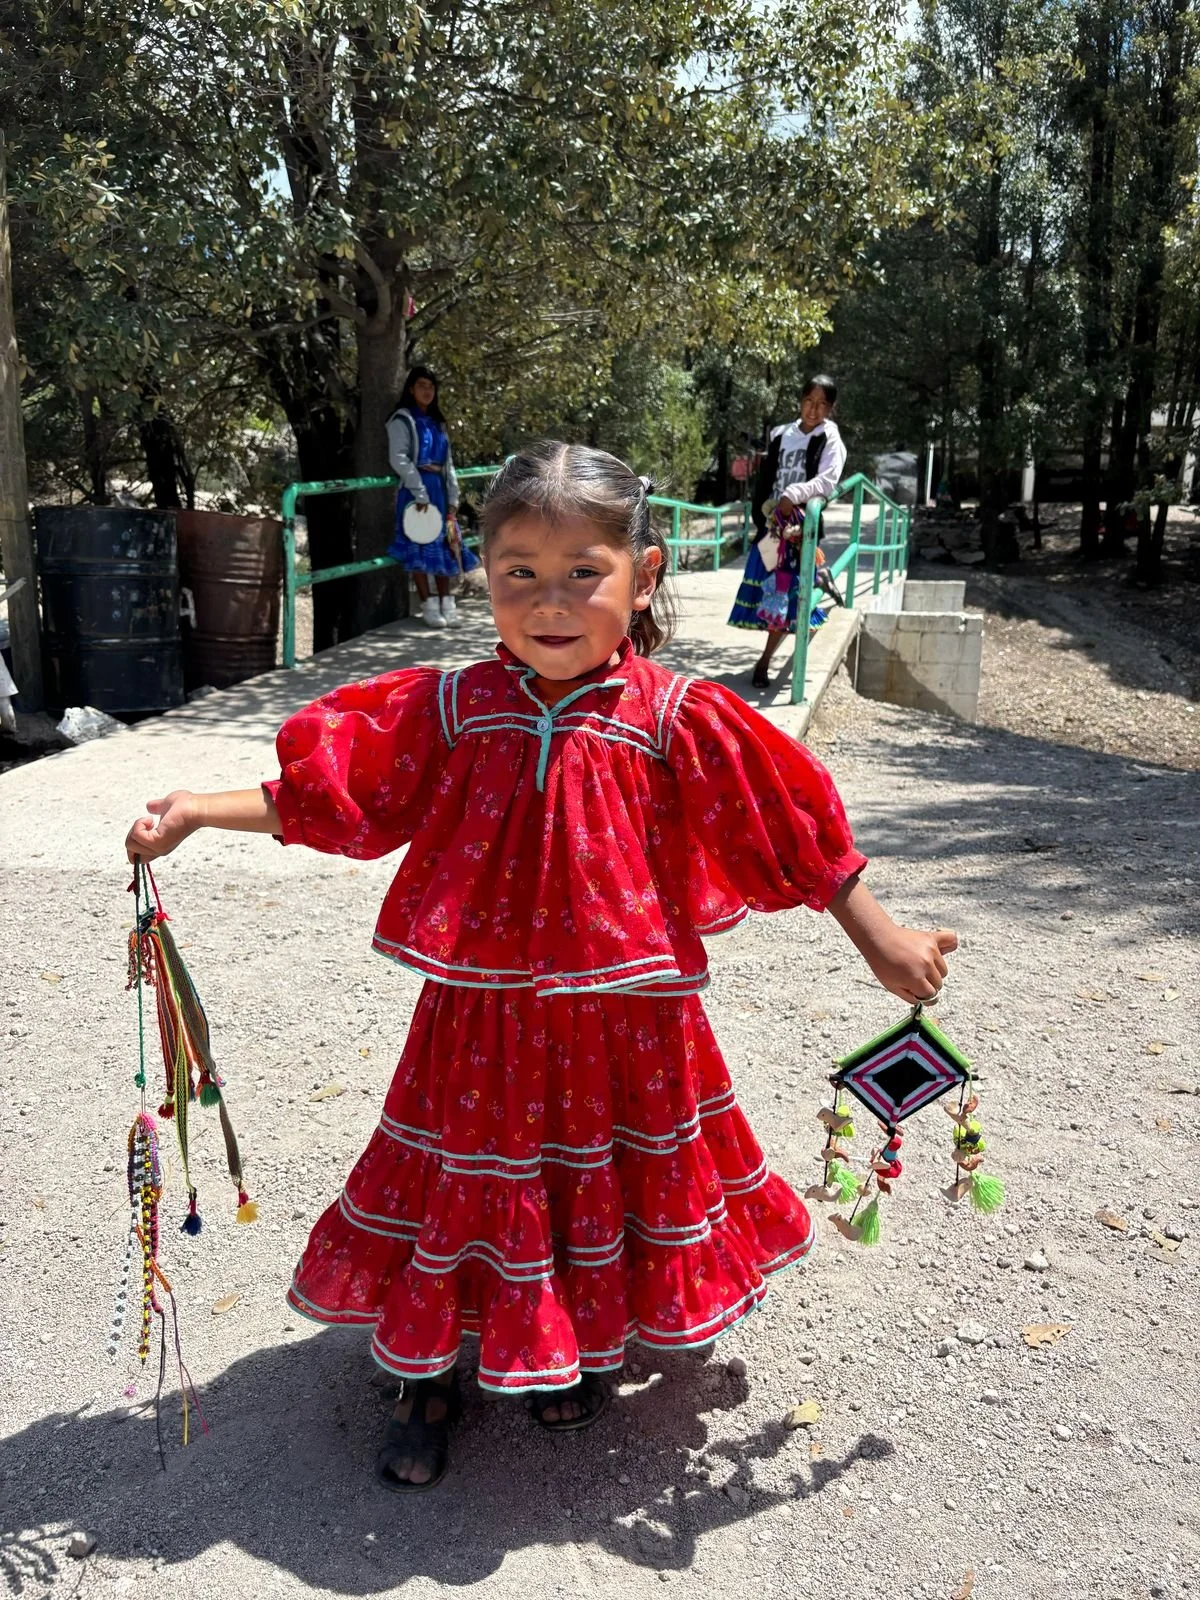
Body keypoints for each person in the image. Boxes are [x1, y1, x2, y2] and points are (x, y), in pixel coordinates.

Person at [124, 441, 956, 1493]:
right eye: (520, 570)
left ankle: (573, 1342)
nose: (550, 601)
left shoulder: (676, 717)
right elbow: (342, 794)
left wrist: (880, 933)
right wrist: (199, 809)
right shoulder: (454, 708)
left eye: (582, 572)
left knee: (597, 1171)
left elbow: (783, 827)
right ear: (483, 574)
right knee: (473, 1175)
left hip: (631, 1024)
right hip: (482, 1023)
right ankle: (427, 1375)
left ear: (643, 576)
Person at [728, 375, 847, 688]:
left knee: (781, 597)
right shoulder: (783, 435)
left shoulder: (829, 438)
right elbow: (765, 479)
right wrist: (762, 516)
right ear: (801, 400)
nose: (813, 409)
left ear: (830, 408)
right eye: (809, 401)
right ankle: (818, 589)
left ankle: (763, 663)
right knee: (769, 594)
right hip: (772, 530)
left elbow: (828, 480)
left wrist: (793, 495)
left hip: (800, 533)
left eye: (822, 404)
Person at [385, 365, 480, 629]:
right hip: (417, 490)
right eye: (421, 386)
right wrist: (419, 490)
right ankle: (428, 605)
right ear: (411, 389)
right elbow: (399, 458)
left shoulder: (438, 422)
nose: (427, 391)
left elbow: (447, 461)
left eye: (431, 386)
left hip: (439, 488)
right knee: (419, 544)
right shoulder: (402, 420)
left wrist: (453, 495)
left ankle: (447, 603)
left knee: (447, 545)